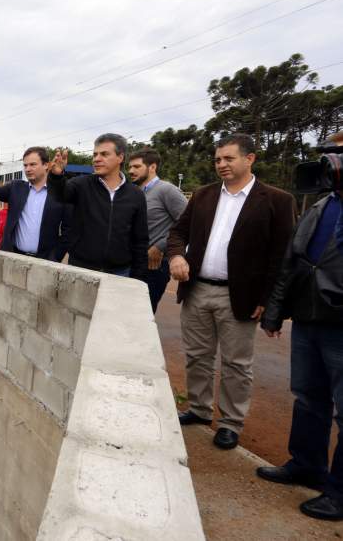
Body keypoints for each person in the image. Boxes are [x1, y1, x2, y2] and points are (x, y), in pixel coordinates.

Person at [166, 133, 297, 450]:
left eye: (228, 158)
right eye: (217, 159)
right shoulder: (204, 195)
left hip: (240, 297)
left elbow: (283, 256)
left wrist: (267, 300)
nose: (221, 164)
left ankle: (230, 423)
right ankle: (198, 409)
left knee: (237, 365)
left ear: (249, 159)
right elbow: (177, 232)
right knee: (198, 356)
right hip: (197, 291)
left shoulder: (277, 201)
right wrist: (177, 255)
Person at [256, 131, 343, 521]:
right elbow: (292, 261)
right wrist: (276, 311)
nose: (330, 163)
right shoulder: (321, 206)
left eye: (337, 154)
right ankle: (307, 465)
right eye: (327, 155)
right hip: (310, 320)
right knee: (308, 397)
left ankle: (339, 493)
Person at [46, 133, 148, 278]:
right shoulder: (81, 184)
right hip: (81, 270)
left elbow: (140, 240)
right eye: (95, 154)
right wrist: (56, 176)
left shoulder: (136, 194)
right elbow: (60, 195)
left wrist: (138, 278)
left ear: (121, 157)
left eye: (104, 154)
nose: (97, 159)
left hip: (120, 273)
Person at [127, 147, 188, 312]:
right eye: (130, 167)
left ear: (152, 167)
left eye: (137, 166)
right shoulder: (134, 192)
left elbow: (188, 223)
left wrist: (161, 246)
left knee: (141, 314)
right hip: (131, 262)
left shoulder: (166, 190)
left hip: (154, 267)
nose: (131, 171)